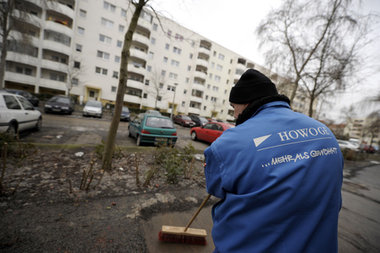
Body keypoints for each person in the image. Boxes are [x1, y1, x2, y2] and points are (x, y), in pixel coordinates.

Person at [204, 69, 343, 253]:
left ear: (245, 103)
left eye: (233, 107)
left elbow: (215, 188)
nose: (235, 115)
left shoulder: (228, 143)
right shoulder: (326, 134)